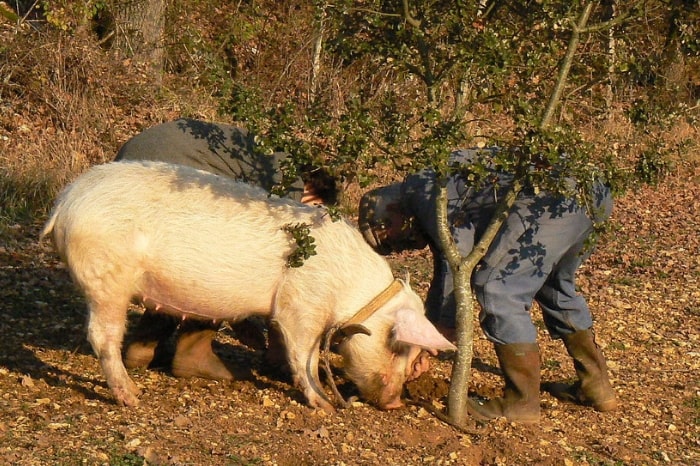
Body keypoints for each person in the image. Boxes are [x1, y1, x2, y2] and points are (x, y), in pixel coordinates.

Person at [358, 148, 617, 423]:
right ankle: (596, 388)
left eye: (389, 239)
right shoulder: (427, 185)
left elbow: (455, 259)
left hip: (555, 196)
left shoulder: (421, 192)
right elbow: (446, 268)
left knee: (497, 288)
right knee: (554, 286)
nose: (400, 247)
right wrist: (430, 332)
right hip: (593, 192)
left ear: (389, 214)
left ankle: (521, 404)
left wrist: (439, 333)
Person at [115, 118, 338, 381]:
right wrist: (241, 318)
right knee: (216, 259)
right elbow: (253, 260)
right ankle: (193, 354)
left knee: (177, 261)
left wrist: (241, 320)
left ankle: (144, 346)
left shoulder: (274, 157)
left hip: (132, 164)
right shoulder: (289, 185)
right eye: (315, 209)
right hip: (162, 169)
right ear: (314, 194)